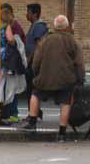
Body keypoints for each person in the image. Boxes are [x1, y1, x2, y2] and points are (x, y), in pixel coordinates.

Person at [22, 15, 85, 143]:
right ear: (67, 26)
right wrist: (80, 78)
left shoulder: (46, 40)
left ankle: (32, 123)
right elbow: (79, 62)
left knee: (35, 94)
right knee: (65, 103)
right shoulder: (73, 41)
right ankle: (61, 134)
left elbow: (37, 60)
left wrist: (36, 72)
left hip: (45, 77)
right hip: (66, 78)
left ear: (55, 26)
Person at [0, 3, 26, 123]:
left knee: (12, 88)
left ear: (9, 13)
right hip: (9, 62)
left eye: (3, 14)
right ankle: (8, 113)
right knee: (8, 88)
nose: (1, 17)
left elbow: (14, 43)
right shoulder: (9, 25)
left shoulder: (14, 26)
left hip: (12, 63)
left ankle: (13, 113)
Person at [24, 3, 48, 115]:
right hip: (31, 62)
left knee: (33, 90)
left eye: (28, 12)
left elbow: (39, 45)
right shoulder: (34, 25)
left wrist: (30, 58)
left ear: (35, 14)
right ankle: (34, 112)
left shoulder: (39, 26)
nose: (26, 14)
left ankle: (33, 113)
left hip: (34, 63)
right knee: (30, 89)